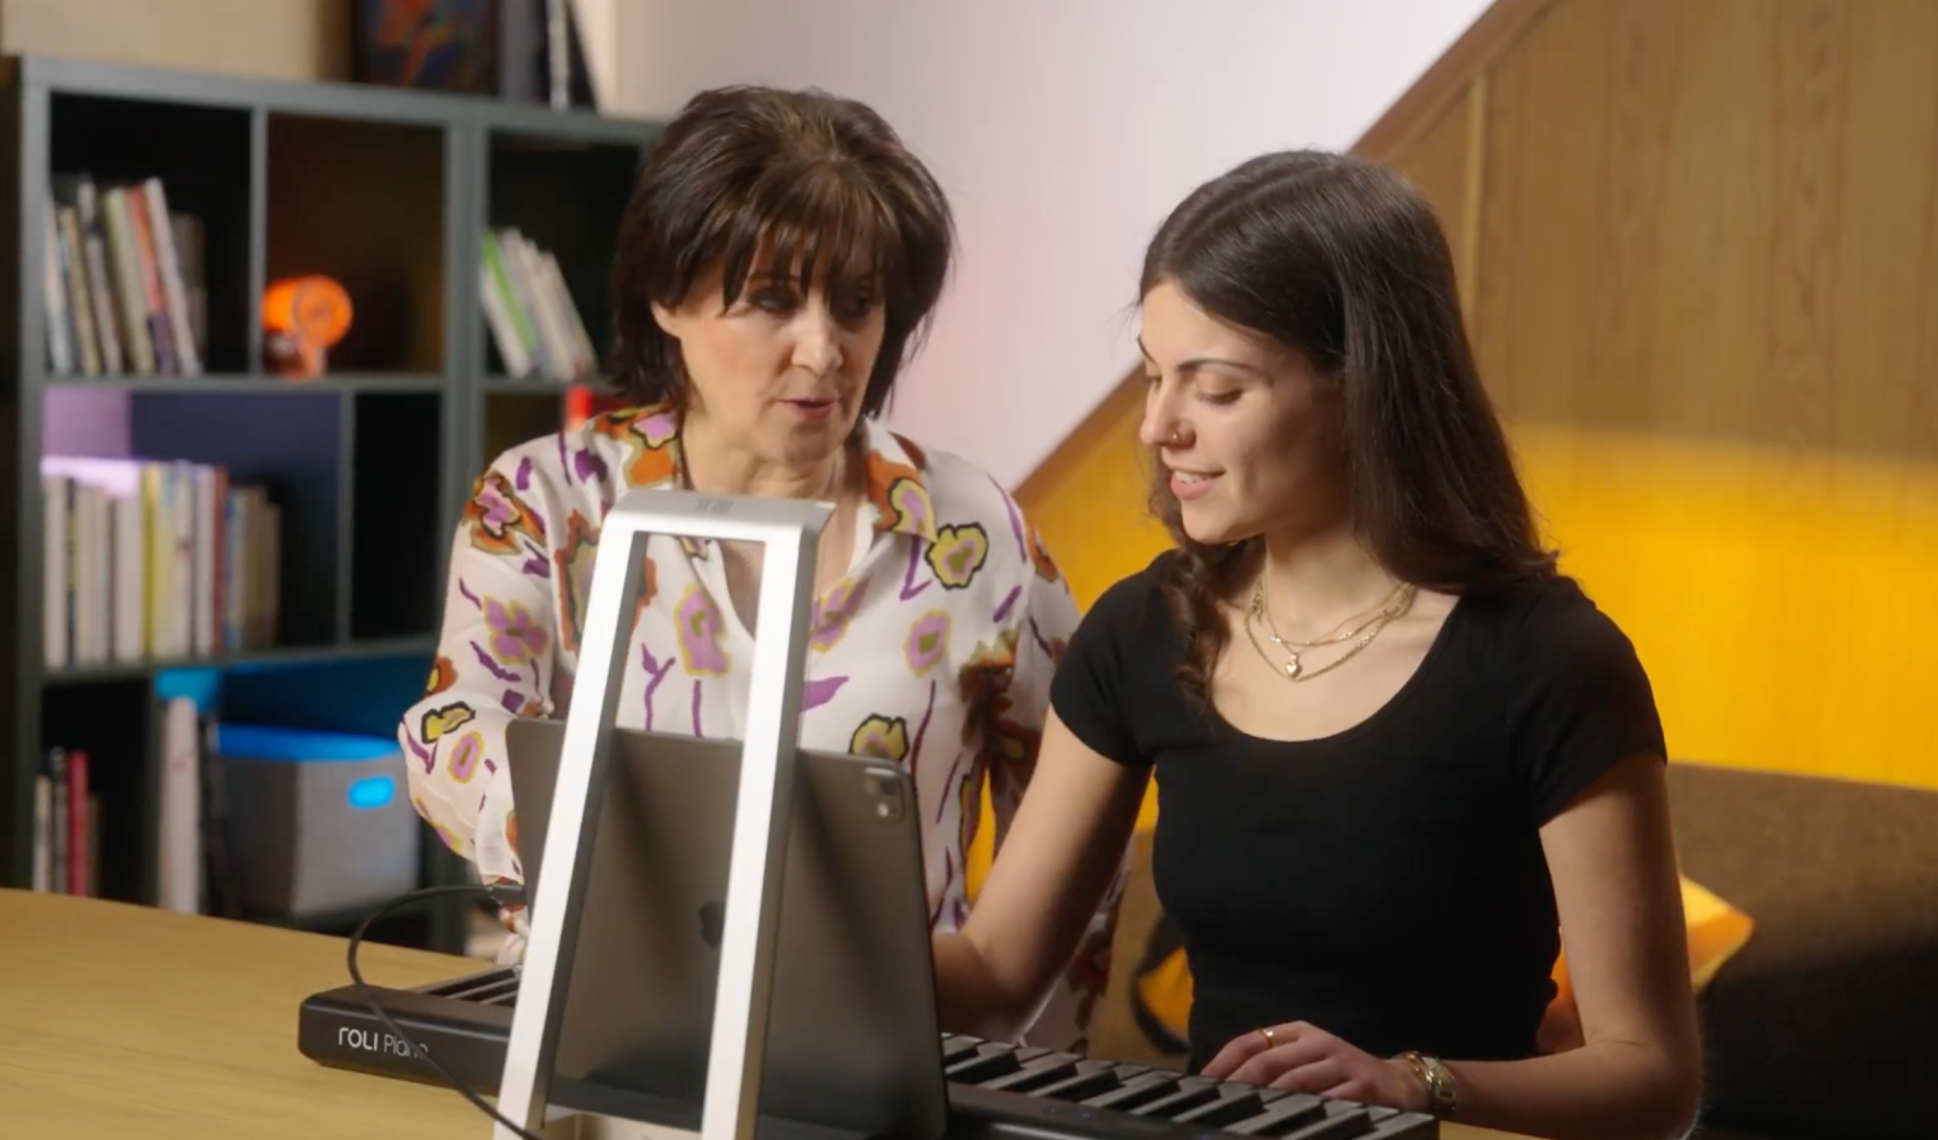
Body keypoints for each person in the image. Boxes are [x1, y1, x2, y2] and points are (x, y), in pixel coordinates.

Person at [930, 150, 1703, 1140]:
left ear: (1357, 385)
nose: (1157, 428)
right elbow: (995, 978)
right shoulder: (1142, 632)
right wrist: (772, 944)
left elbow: (1650, 1080)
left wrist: (1411, 1084)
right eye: (1152, 379)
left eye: (1212, 390)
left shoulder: (1549, 663)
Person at [397, 84, 1111, 1051]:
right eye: (772, 299)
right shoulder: (548, 500)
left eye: (856, 304)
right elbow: (451, 730)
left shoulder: (969, 529)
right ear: (668, 297)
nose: (825, 349)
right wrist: (601, 847)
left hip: (879, 1063)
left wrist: (1027, 1078)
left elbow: (1073, 828)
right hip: (593, 1039)